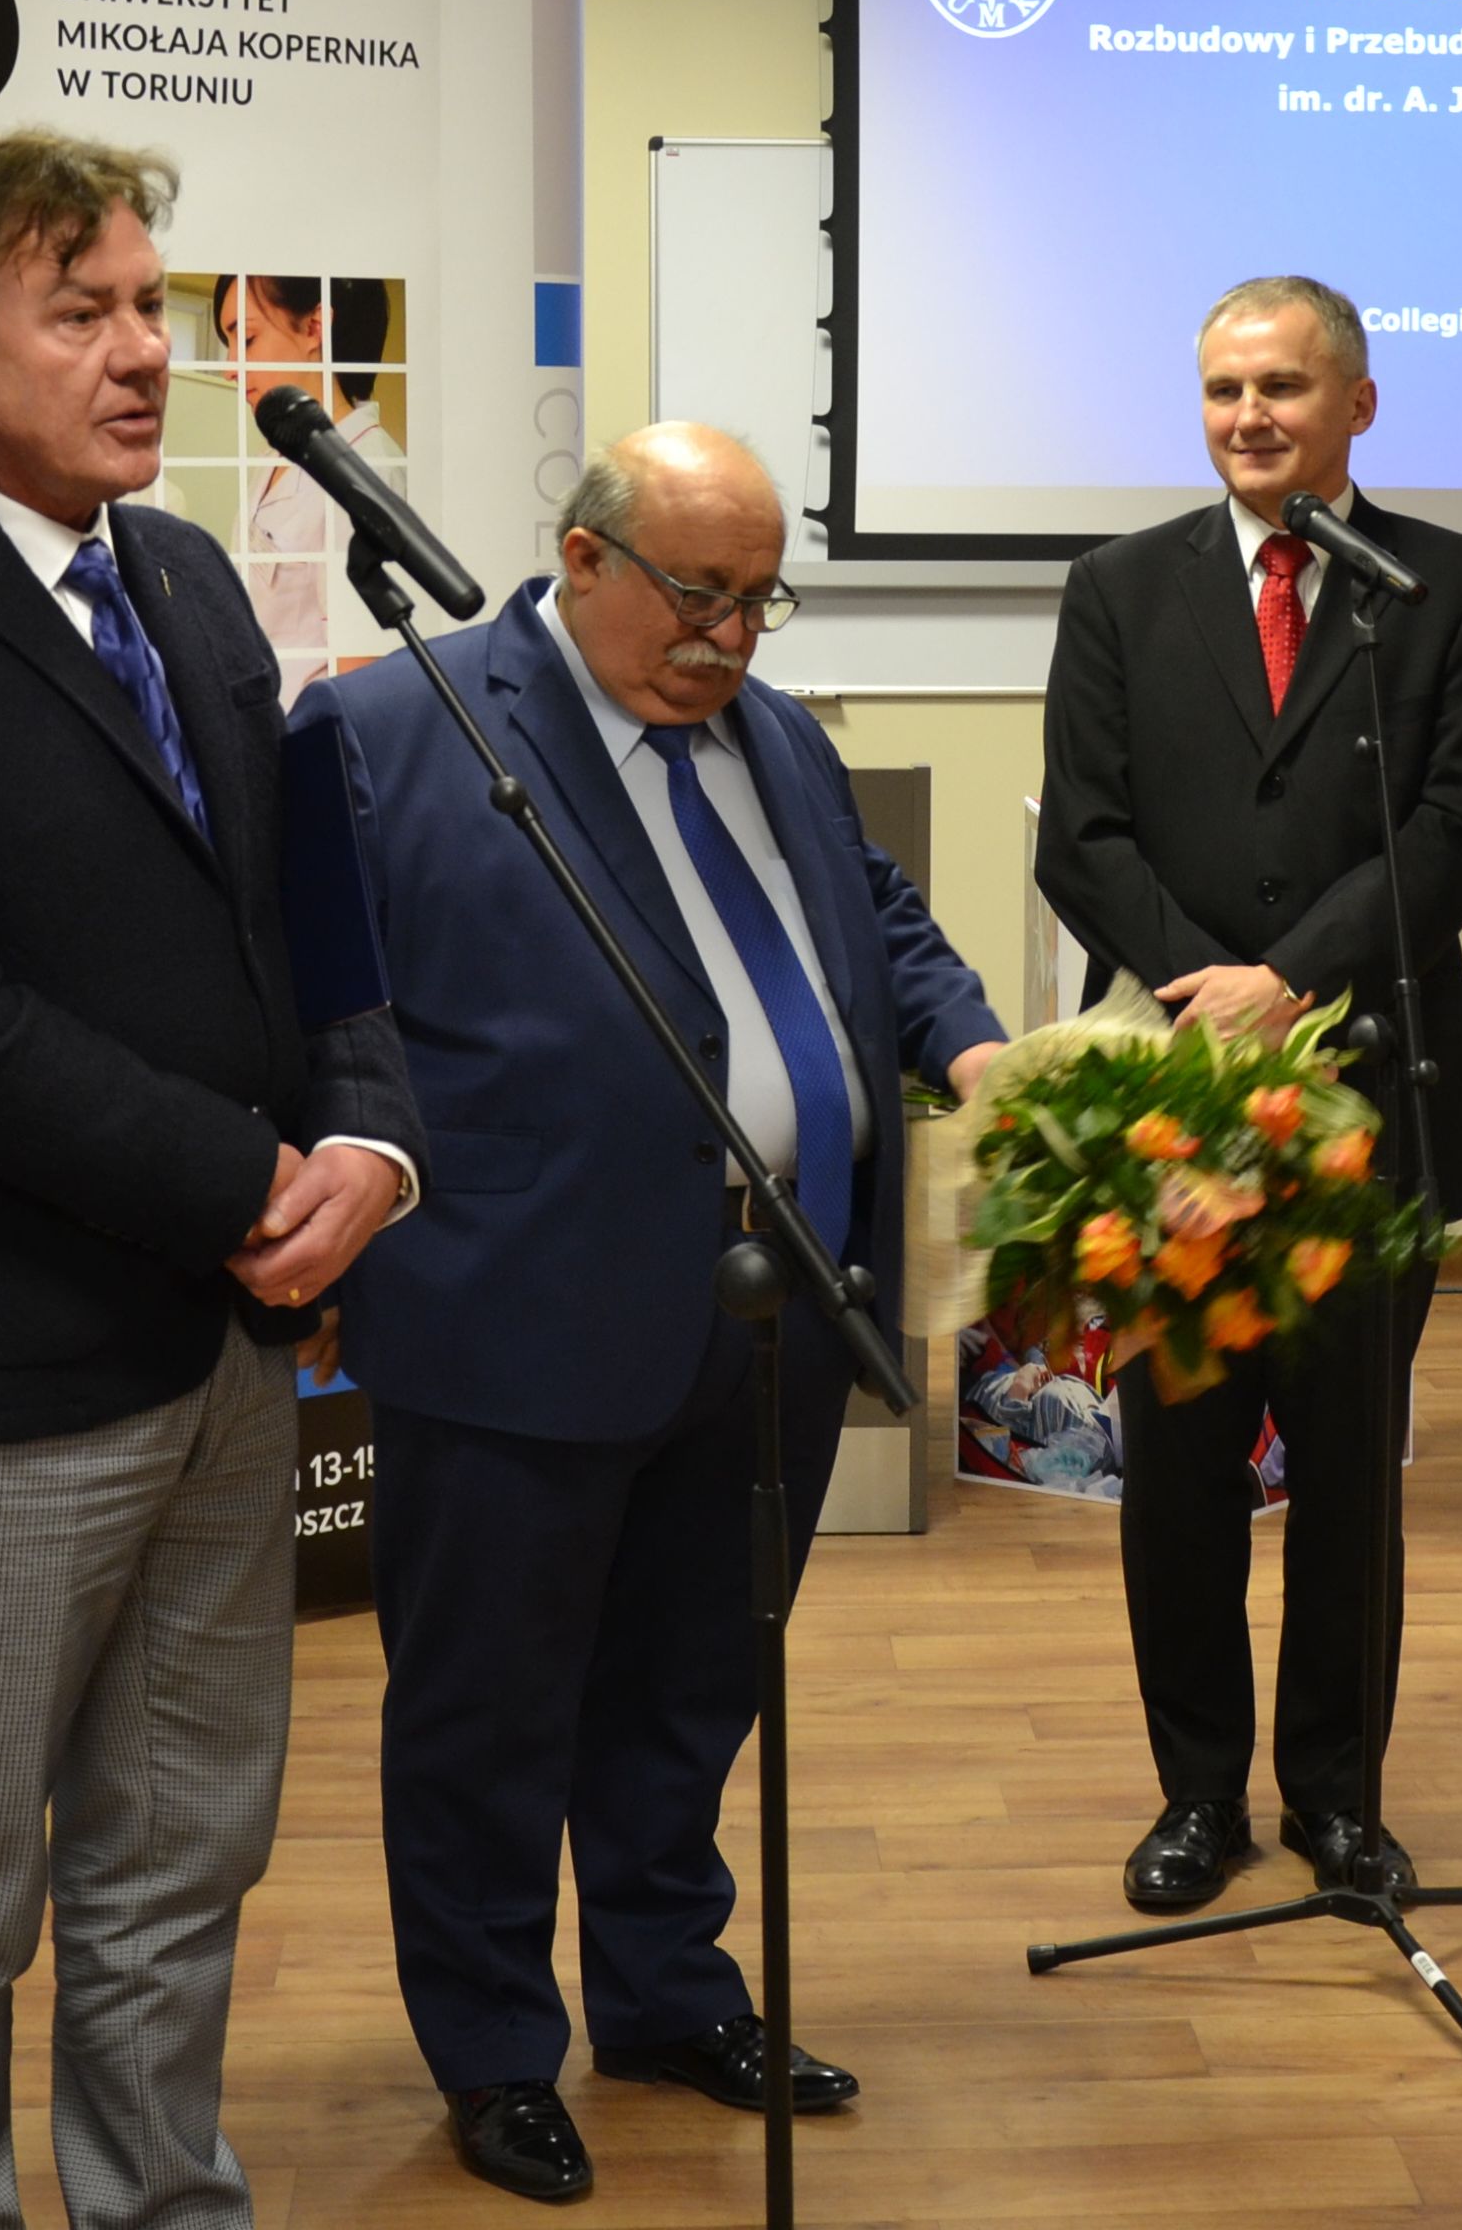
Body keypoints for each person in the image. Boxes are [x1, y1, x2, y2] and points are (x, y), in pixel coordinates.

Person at [0, 131, 425, 2230]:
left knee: (178, 1857)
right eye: (84, 311)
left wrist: (367, 1134)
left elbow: (300, 910)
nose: (144, 352)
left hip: (223, 1360)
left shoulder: (183, 576)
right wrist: (238, 1176)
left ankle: (159, 2201)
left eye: (150, 305)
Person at [292, 422, 1001, 2207]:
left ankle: (669, 1993)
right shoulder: (398, 730)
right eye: (699, 594)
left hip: (779, 1303)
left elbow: (875, 920)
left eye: (761, 599)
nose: (731, 636)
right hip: (512, 1309)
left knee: (694, 1684)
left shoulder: (777, 734)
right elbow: (307, 1009)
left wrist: (974, 1042)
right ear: (586, 556)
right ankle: (492, 2049)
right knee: (487, 1712)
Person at [1037, 274, 1462, 1916]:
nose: (1249, 416)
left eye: (1283, 387)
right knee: (1178, 1480)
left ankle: (1336, 1800)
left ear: (1356, 405)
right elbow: (1080, 835)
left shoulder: (1451, 590)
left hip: (1372, 1096)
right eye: (1223, 389)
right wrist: (1214, 995)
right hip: (1169, 1105)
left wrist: (1293, 982)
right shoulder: (1118, 587)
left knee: (1345, 1484)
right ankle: (1196, 1795)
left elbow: (1456, 831)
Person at [223, 271, 400, 690]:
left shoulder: (367, 467)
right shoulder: (279, 453)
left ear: (315, 328)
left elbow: (362, 668)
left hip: (310, 725)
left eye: (246, 339)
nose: (230, 368)